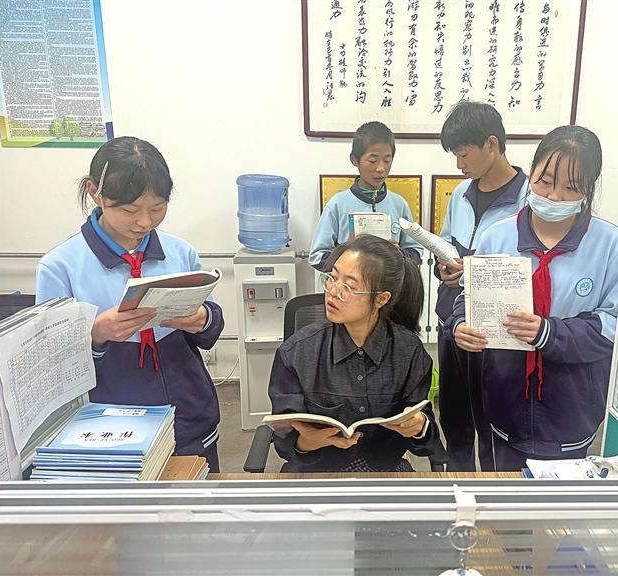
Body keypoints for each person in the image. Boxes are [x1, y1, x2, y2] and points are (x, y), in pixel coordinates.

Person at [449, 125, 618, 471]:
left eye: (571, 188)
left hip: (570, 411)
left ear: (589, 189)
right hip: (505, 402)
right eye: (545, 181)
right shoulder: (497, 236)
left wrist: (548, 333)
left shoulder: (611, 246)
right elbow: (468, 295)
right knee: (505, 495)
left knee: (560, 498)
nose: (554, 196)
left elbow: (615, 325)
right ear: (531, 172)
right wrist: (460, 323)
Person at [35, 136, 224, 471]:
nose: (144, 222)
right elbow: (52, 363)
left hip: (188, 416)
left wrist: (203, 318)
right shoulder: (60, 266)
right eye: (130, 210)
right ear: (95, 192)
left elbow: (209, 325)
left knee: (196, 500)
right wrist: (96, 333)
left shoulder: (180, 252)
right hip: (111, 427)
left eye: (157, 208)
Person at [270, 235, 440, 472]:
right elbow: (284, 439)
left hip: (386, 472)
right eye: (332, 278)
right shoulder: (297, 352)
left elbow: (426, 440)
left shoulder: (408, 351)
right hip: (317, 473)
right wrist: (308, 441)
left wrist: (419, 426)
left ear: (381, 299)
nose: (332, 292)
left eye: (348, 287)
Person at [435, 101, 529, 471]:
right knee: (454, 418)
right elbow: (445, 243)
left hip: (495, 331)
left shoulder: (528, 199)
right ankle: (456, 487)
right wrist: (444, 268)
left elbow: (528, 266)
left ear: (492, 144)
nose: (459, 164)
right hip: (452, 322)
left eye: (463, 154)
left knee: (493, 423)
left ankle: (493, 495)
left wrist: (474, 271)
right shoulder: (460, 194)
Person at [308, 121, 424, 271]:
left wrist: (398, 254)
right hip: (351, 283)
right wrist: (350, 257)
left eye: (387, 160)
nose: (381, 168)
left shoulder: (399, 204)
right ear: (355, 160)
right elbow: (317, 256)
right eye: (373, 160)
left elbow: (416, 252)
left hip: (390, 284)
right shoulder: (338, 204)